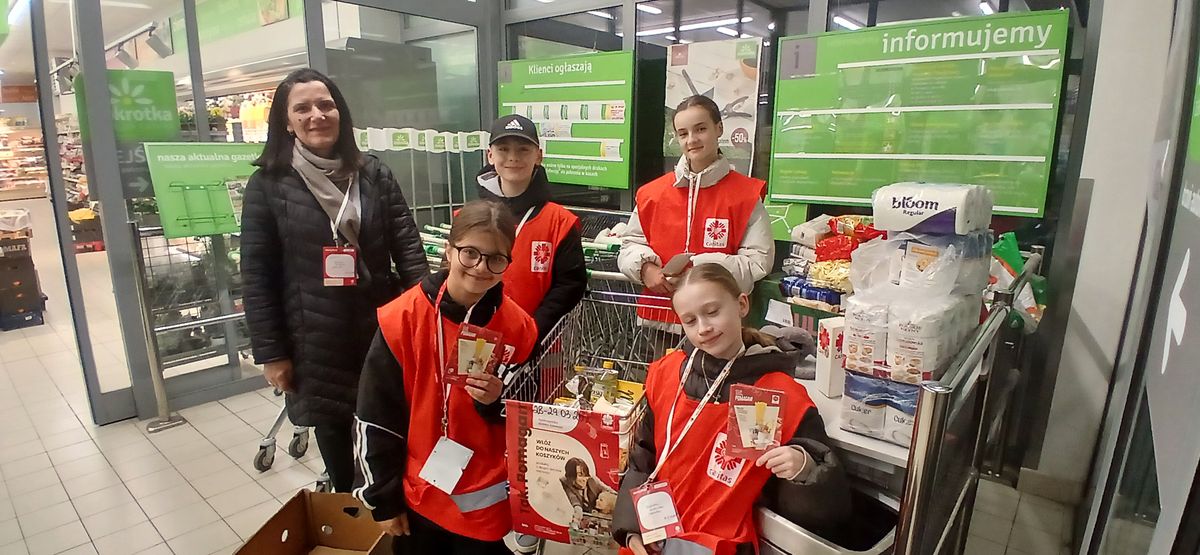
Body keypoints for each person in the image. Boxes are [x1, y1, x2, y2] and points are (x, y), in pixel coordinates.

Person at [241, 68, 428, 493]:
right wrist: (272, 353)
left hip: (381, 330)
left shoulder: (373, 174)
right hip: (314, 341)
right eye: (302, 108)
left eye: (325, 105)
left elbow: (408, 248)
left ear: (340, 112)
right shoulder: (268, 185)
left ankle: (393, 515)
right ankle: (352, 518)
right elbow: (256, 276)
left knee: (391, 434)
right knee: (339, 448)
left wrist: (427, 319)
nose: (317, 115)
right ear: (286, 122)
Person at [612, 264, 852, 555]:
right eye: (690, 320)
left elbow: (829, 506)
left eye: (712, 312)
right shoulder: (666, 374)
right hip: (654, 536)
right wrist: (630, 529)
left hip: (722, 545)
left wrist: (804, 467)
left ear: (741, 305)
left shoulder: (780, 393)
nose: (704, 328)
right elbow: (643, 456)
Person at [352, 200, 539, 555]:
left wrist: (496, 401)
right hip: (418, 493)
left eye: (496, 259)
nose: (481, 267)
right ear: (449, 250)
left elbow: (527, 410)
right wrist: (382, 499)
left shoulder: (519, 328)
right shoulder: (403, 318)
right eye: (470, 253)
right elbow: (376, 416)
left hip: (484, 499)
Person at [618, 95, 775, 335]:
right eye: (683, 133)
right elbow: (630, 244)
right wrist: (645, 268)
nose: (692, 140)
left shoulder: (746, 195)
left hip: (718, 325)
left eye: (701, 129)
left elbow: (758, 261)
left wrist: (699, 271)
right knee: (663, 362)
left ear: (719, 128)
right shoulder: (652, 194)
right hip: (661, 318)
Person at [475, 114, 587, 340]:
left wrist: (532, 332)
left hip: (540, 343)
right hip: (478, 341)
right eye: (503, 149)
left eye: (523, 149)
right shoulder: (470, 218)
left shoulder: (560, 222)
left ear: (539, 156)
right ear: (490, 155)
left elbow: (570, 285)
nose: (513, 157)